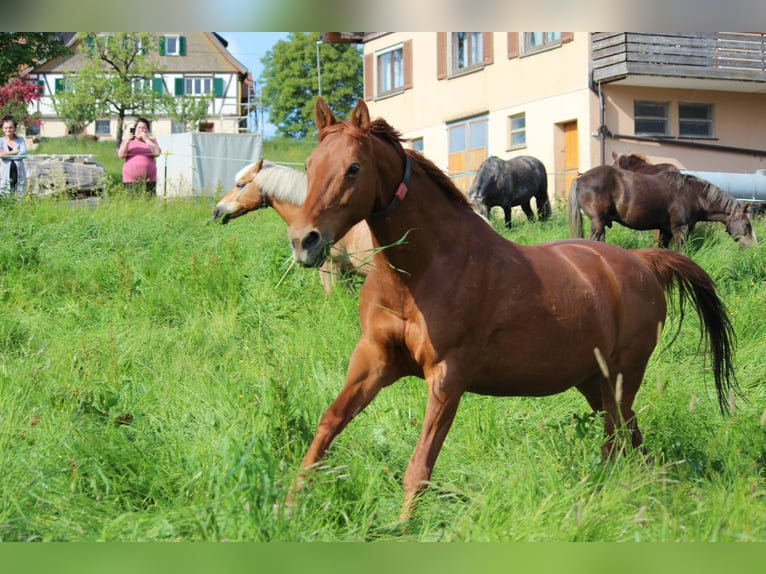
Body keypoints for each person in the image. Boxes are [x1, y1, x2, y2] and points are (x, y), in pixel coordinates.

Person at [117, 117, 161, 195]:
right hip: (130, 178)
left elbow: (157, 153)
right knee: (132, 201)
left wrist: (146, 139)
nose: (141, 130)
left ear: (147, 130)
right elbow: (121, 155)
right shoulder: (127, 141)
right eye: (139, 128)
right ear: (135, 129)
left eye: (143, 128)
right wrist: (127, 141)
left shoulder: (152, 141)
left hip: (149, 179)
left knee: (149, 200)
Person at [0, 115, 28, 197]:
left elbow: (23, 153)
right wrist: (14, 152)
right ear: (2, 128)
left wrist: (5, 154)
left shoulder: (20, 140)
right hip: (5, 173)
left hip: (18, 172)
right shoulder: (0, 141)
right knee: (6, 194)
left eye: (10, 127)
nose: (8, 130)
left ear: (14, 128)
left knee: (20, 195)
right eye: (6, 128)